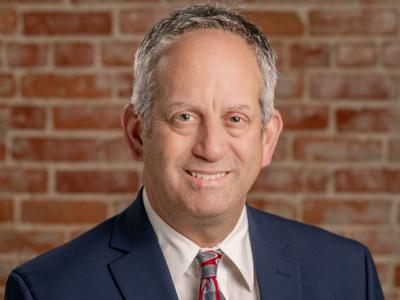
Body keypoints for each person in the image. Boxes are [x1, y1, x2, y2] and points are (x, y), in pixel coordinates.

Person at [5, 4, 383, 300]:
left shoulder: (347, 274)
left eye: (235, 118)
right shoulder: (50, 289)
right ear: (137, 133)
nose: (211, 147)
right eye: (184, 117)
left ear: (267, 138)